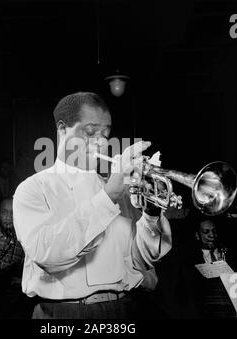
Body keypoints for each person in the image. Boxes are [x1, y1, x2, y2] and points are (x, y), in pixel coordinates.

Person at [13, 92, 172, 319]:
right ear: (62, 129)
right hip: (61, 314)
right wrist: (109, 197)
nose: (101, 141)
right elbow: (47, 254)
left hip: (124, 309)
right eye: (90, 132)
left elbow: (140, 261)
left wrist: (152, 213)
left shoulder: (118, 190)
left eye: (106, 133)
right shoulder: (34, 188)